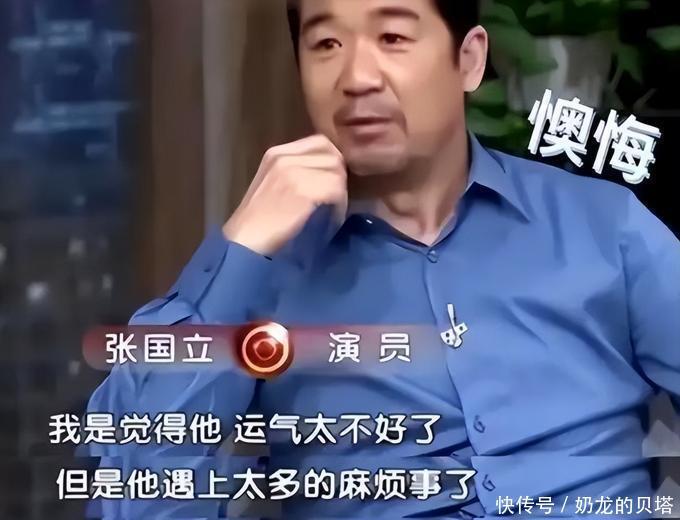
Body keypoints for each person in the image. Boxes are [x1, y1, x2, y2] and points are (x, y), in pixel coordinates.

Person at [87, 0, 680, 518]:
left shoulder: (605, 229)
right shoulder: (259, 280)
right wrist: (240, 251)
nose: (357, 77)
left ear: (469, 60)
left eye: (392, 36)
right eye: (326, 44)